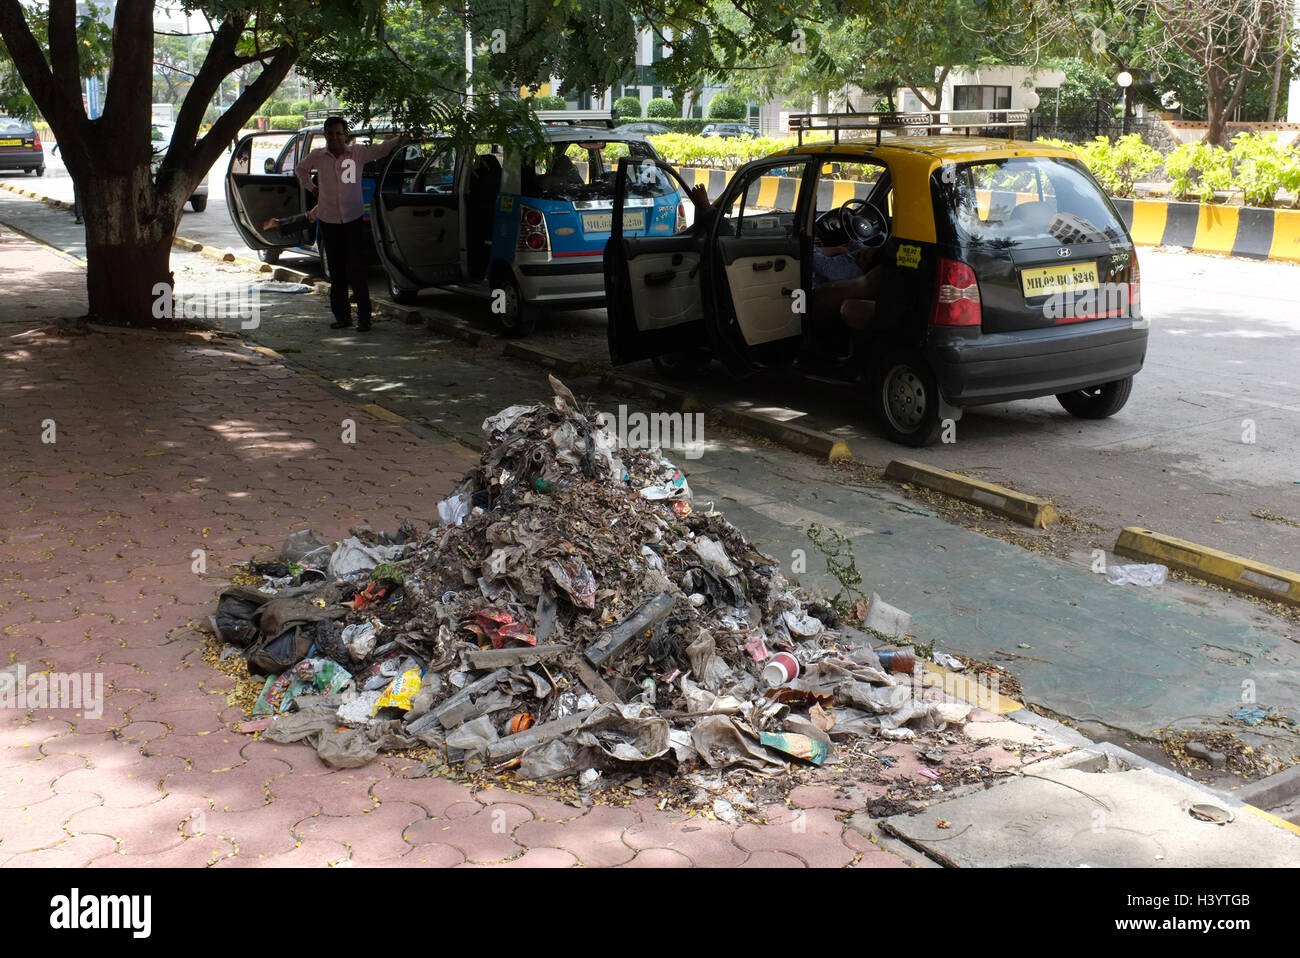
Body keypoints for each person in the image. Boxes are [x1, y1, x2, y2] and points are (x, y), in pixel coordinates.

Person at [296, 116, 404, 330]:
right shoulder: (317, 156)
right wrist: (312, 188)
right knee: (336, 273)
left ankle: (364, 319)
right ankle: (342, 317)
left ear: (345, 135)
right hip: (329, 221)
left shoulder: (357, 153)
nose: (334, 137)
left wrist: (402, 138)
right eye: (330, 133)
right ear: (325, 135)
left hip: (353, 220)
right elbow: (300, 170)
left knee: (357, 270)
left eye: (338, 133)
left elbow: (381, 149)